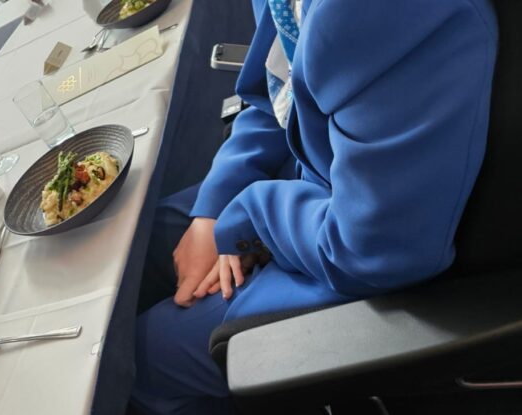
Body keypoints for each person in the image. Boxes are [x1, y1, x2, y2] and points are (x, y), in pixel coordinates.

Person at [130, 0, 498, 413]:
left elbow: (373, 252)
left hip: (371, 249)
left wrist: (245, 221)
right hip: (329, 175)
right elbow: (280, 86)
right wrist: (211, 209)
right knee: (138, 251)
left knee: (143, 359)